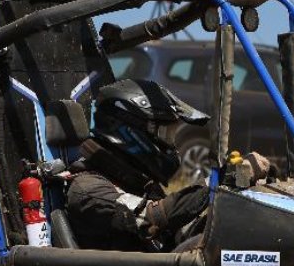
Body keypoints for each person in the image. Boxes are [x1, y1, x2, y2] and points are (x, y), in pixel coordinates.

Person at [66, 79, 211, 252]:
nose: (170, 145)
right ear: (130, 130)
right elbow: (150, 219)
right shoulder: (88, 189)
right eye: (164, 134)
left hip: (161, 265)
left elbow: (181, 230)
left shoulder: (138, 183)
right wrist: (212, 186)